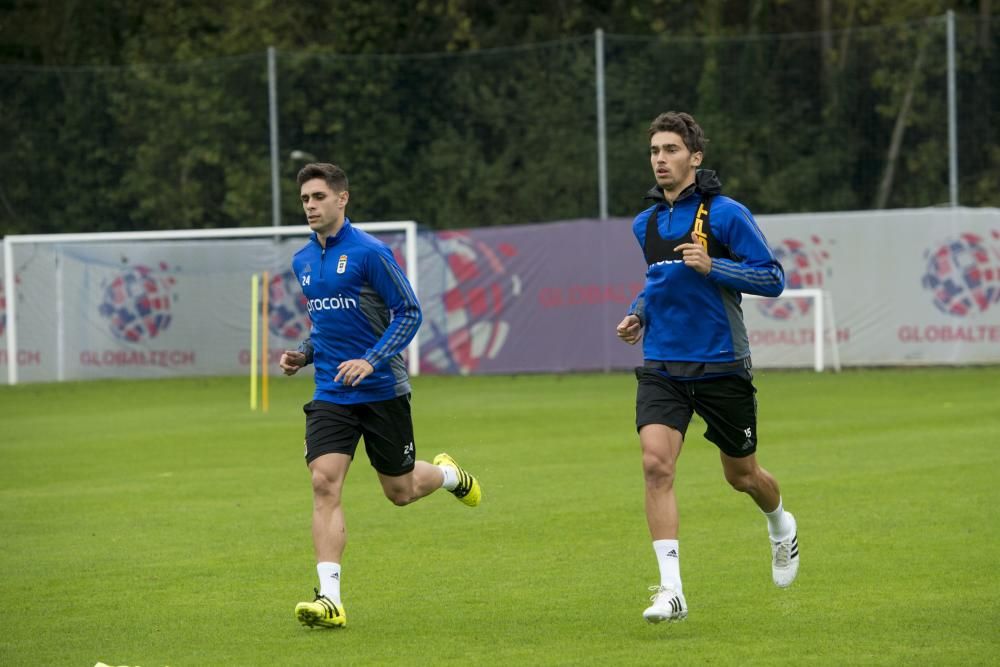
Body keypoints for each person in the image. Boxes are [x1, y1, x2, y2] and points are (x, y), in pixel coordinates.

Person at [615, 112, 799, 624]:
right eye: (655, 151)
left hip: (721, 366)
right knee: (655, 464)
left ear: (695, 157)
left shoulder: (727, 214)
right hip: (662, 366)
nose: (661, 159)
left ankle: (781, 524)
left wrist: (713, 264)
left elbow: (772, 277)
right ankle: (671, 590)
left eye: (671, 150)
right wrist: (637, 314)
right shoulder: (644, 223)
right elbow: (658, 282)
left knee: (742, 476)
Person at [281, 162, 482, 629]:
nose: (310, 206)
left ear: (341, 198)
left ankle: (449, 475)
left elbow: (408, 313)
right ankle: (329, 600)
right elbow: (325, 327)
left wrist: (371, 360)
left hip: (381, 390)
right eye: (305, 199)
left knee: (400, 491)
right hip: (331, 391)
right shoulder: (303, 261)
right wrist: (304, 354)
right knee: (323, 482)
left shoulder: (371, 252)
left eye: (318, 197)